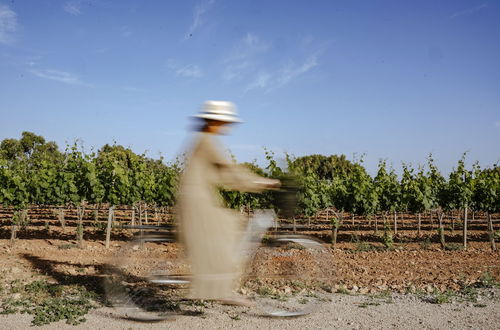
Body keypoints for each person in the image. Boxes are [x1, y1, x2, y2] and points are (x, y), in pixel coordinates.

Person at [177, 100, 280, 306]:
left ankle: (220, 286)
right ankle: (221, 290)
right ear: (214, 121)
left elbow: (225, 177)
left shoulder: (204, 139)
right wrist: (264, 183)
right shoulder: (207, 141)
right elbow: (231, 173)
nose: (227, 125)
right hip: (196, 201)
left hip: (198, 198)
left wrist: (253, 183)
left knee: (232, 224)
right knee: (228, 229)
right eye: (224, 121)